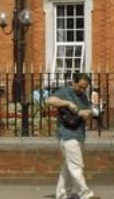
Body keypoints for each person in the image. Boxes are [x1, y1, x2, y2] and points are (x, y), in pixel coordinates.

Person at [44, 71, 97, 199]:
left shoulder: (84, 96)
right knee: (77, 165)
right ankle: (85, 193)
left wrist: (87, 113)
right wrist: (67, 103)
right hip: (67, 134)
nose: (82, 89)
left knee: (69, 166)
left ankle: (62, 194)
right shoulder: (65, 92)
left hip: (79, 133)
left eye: (85, 88)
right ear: (74, 82)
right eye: (80, 86)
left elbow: (90, 111)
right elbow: (49, 100)